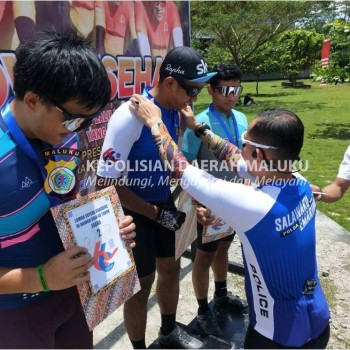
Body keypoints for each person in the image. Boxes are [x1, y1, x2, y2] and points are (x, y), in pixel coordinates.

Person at [129, 96, 331, 349]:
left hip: (277, 335)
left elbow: (181, 168)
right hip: (317, 321)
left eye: (245, 142)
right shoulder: (299, 182)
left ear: (258, 153)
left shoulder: (252, 204)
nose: (240, 146)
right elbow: (233, 156)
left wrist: (154, 121)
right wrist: (198, 128)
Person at [0, 31, 136, 349]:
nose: (81, 131)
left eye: (90, 122)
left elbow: (67, 207)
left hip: (75, 295)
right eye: (75, 120)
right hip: (17, 311)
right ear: (33, 100)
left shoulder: (66, 138)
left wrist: (107, 230)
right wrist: (43, 278)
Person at [96, 46, 216, 349]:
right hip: (132, 210)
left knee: (171, 269)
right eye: (193, 90)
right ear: (170, 83)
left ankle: (167, 331)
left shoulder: (173, 113)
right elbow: (105, 184)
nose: (195, 99)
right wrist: (154, 213)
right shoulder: (130, 116)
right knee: (141, 284)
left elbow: (173, 166)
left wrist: (189, 201)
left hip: (160, 202)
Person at [181, 62, 248, 336]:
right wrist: (198, 203)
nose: (231, 95)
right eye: (224, 90)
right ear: (211, 90)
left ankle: (220, 296)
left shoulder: (241, 118)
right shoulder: (197, 123)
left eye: (236, 89)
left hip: (234, 200)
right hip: (209, 206)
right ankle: (202, 309)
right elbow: (184, 165)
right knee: (203, 257)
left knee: (223, 250)